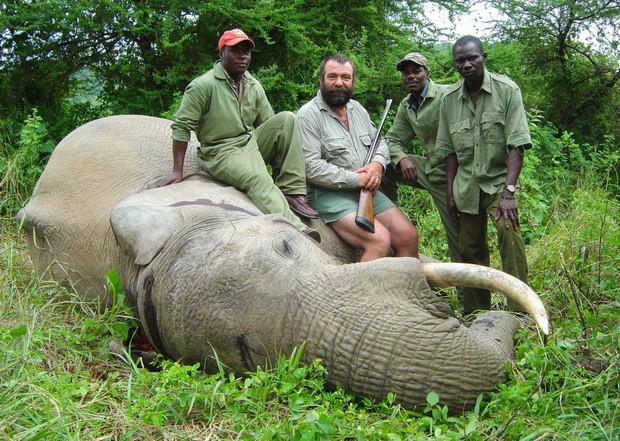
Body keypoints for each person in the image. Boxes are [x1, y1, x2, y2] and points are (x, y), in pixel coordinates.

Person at [158, 28, 321, 242]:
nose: (242, 56)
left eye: (246, 51)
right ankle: (297, 229)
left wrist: (278, 163)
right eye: (235, 50)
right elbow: (181, 126)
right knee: (258, 178)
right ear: (221, 54)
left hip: (248, 142)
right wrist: (177, 170)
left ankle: (291, 191)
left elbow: (271, 126)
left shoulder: (253, 84)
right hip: (221, 151)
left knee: (287, 119)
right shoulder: (203, 86)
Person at [436, 35, 532, 314]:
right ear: (454, 64)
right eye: (459, 60)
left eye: (471, 58)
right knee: (470, 249)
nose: (466, 64)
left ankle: (519, 310)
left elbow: (517, 146)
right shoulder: (449, 100)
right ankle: (478, 312)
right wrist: (450, 192)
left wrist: (508, 194)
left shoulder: (507, 90)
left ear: (483, 57)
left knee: (508, 236)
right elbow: (449, 152)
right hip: (466, 187)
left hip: (498, 185)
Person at [297, 54, 419, 262]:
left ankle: (392, 292)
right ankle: (358, 295)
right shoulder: (307, 115)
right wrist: (357, 179)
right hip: (328, 194)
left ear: (353, 81)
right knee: (379, 240)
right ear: (321, 80)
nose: (338, 83)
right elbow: (311, 167)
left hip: (366, 190)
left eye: (345, 77)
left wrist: (377, 165)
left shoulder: (357, 110)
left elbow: (379, 143)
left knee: (408, 236)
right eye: (332, 76)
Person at [382, 51, 461, 264]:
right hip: (432, 169)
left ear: (427, 73)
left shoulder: (447, 95)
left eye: (416, 71)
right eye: (405, 73)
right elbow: (392, 140)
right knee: (384, 166)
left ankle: (467, 295)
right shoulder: (407, 106)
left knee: (460, 239)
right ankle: (389, 217)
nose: (410, 76)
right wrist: (401, 158)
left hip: (458, 175)